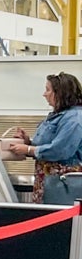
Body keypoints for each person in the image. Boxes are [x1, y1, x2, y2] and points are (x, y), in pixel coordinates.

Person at [6, 72, 82, 203]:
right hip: (48, 183)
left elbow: (60, 150)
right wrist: (28, 142)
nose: (44, 94)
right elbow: (48, 145)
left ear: (60, 93)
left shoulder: (74, 119)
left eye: (48, 90)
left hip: (63, 187)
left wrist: (29, 149)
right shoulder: (58, 116)